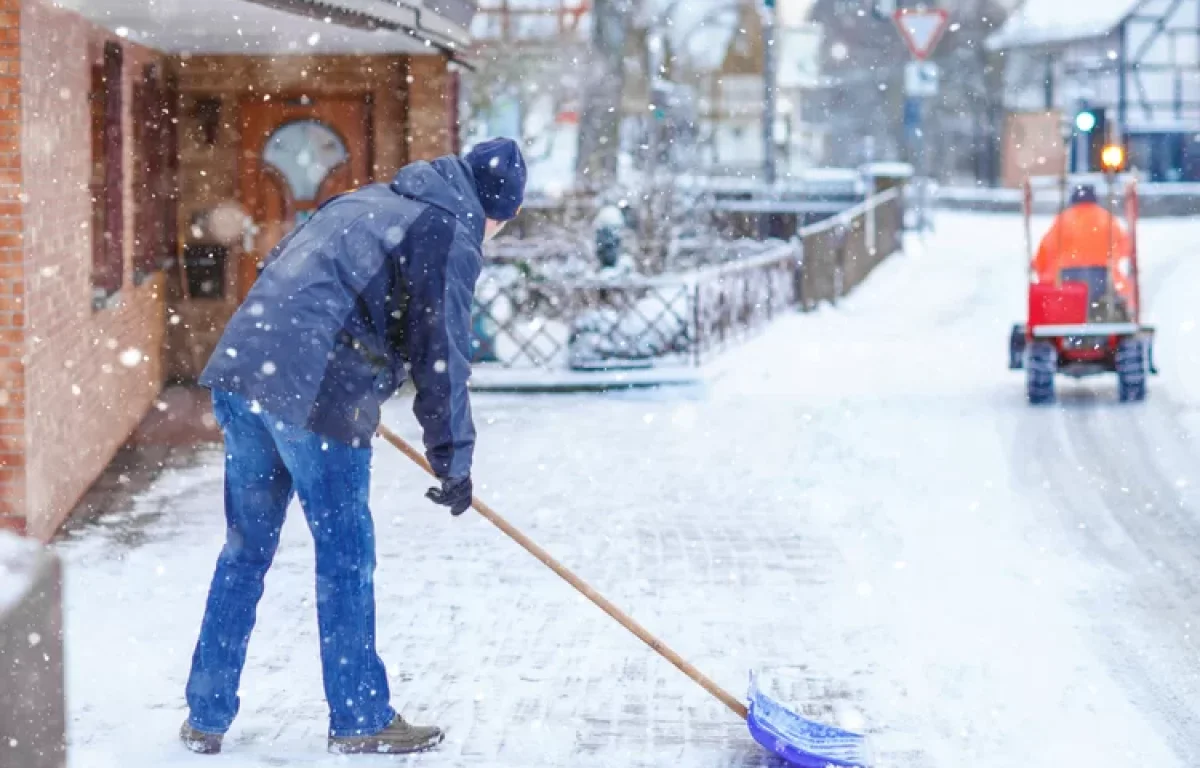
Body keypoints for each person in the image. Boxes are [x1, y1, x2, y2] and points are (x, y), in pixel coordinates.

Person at [179, 138, 526, 756]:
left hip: (243, 370)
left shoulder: (369, 200)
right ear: (498, 209)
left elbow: (291, 276)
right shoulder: (450, 230)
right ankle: (360, 717)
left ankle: (205, 713)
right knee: (344, 559)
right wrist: (453, 459)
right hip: (314, 391)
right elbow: (441, 354)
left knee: (244, 551)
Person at [1032, 183, 1135, 317]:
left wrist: (1040, 270)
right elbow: (1125, 247)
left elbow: (1045, 250)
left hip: (1068, 281)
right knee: (1123, 295)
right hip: (1103, 279)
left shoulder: (1063, 220)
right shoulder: (1107, 218)